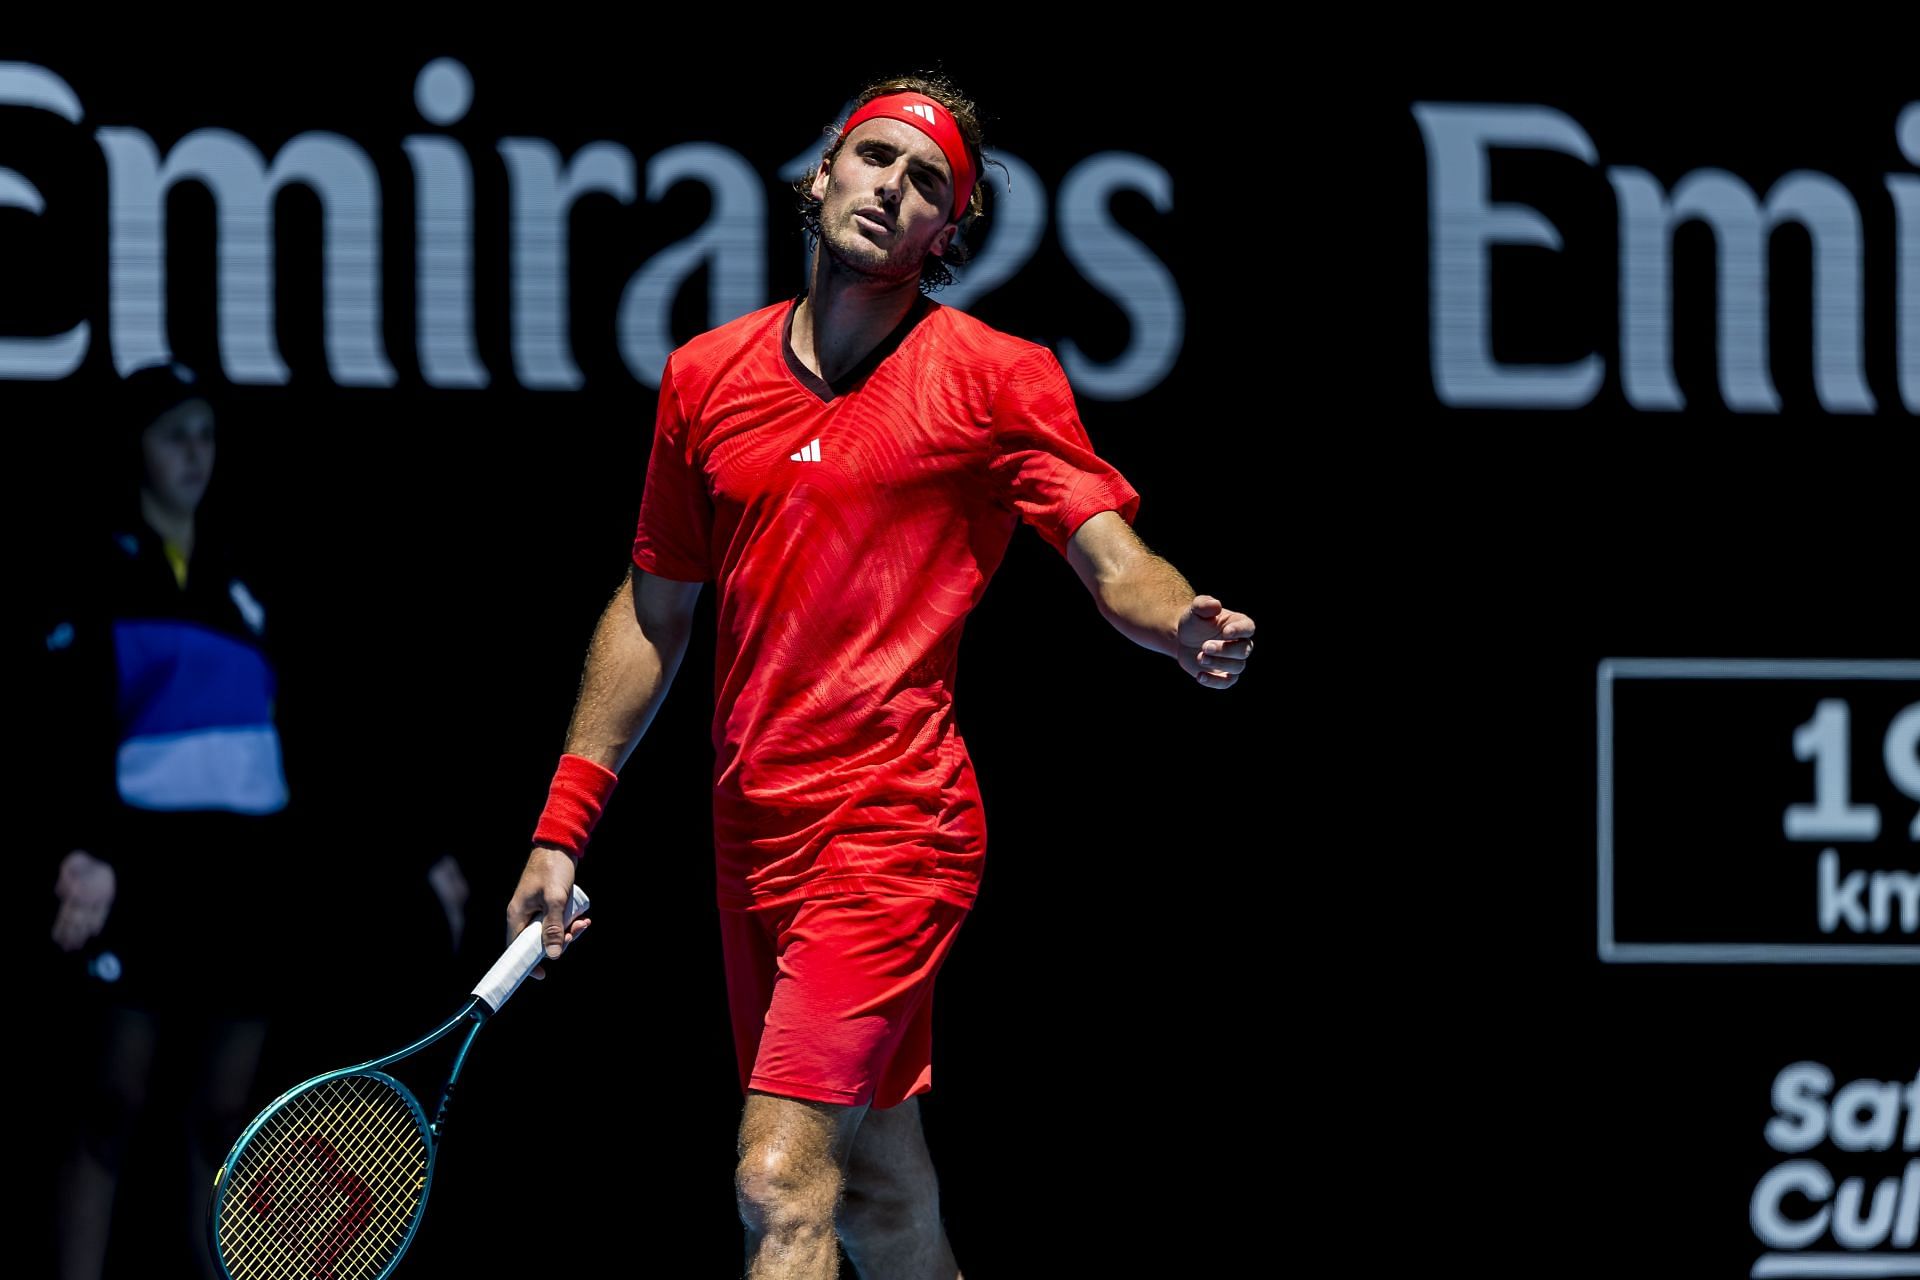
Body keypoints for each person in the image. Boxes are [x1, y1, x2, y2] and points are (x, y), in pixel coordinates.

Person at [504, 72, 1255, 1280]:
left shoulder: (994, 377)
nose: (892, 188)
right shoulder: (706, 377)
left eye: (926, 185)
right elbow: (655, 612)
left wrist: (1180, 624)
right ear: (823, 174)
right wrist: (562, 826)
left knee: (778, 1177)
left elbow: (1113, 557)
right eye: (874, 159)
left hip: (896, 827)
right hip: (754, 836)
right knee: (886, 1201)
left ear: (943, 237)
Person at [39, 361, 295, 1280]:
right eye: (172, 434)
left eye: (206, 434)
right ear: (137, 449)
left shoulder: (248, 579)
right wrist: (88, 851)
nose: (195, 452)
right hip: (135, 882)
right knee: (108, 1106)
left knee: (224, 1123)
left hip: (238, 886)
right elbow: (61, 733)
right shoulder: (92, 570)